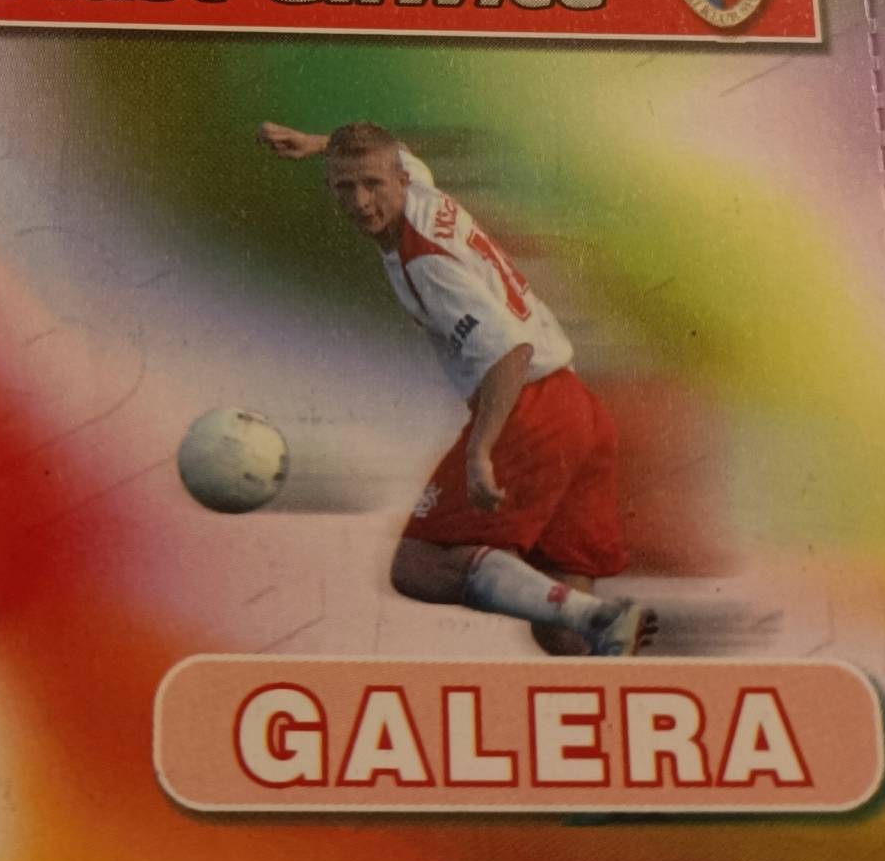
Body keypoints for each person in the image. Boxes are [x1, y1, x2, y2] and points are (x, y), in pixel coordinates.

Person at [258, 119, 652, 657]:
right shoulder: (421, 190)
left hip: (528, 408)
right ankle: (601, 634)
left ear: (398, 181)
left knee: (417, 565)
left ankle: (596, 617)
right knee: (561, 633)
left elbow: (510, 354)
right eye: (345, 186)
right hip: (579, 410)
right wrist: (317, 144)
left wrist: (479, 451)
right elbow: (393, 151)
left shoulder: (426, 265)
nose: (361, 202)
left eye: (372, 185)